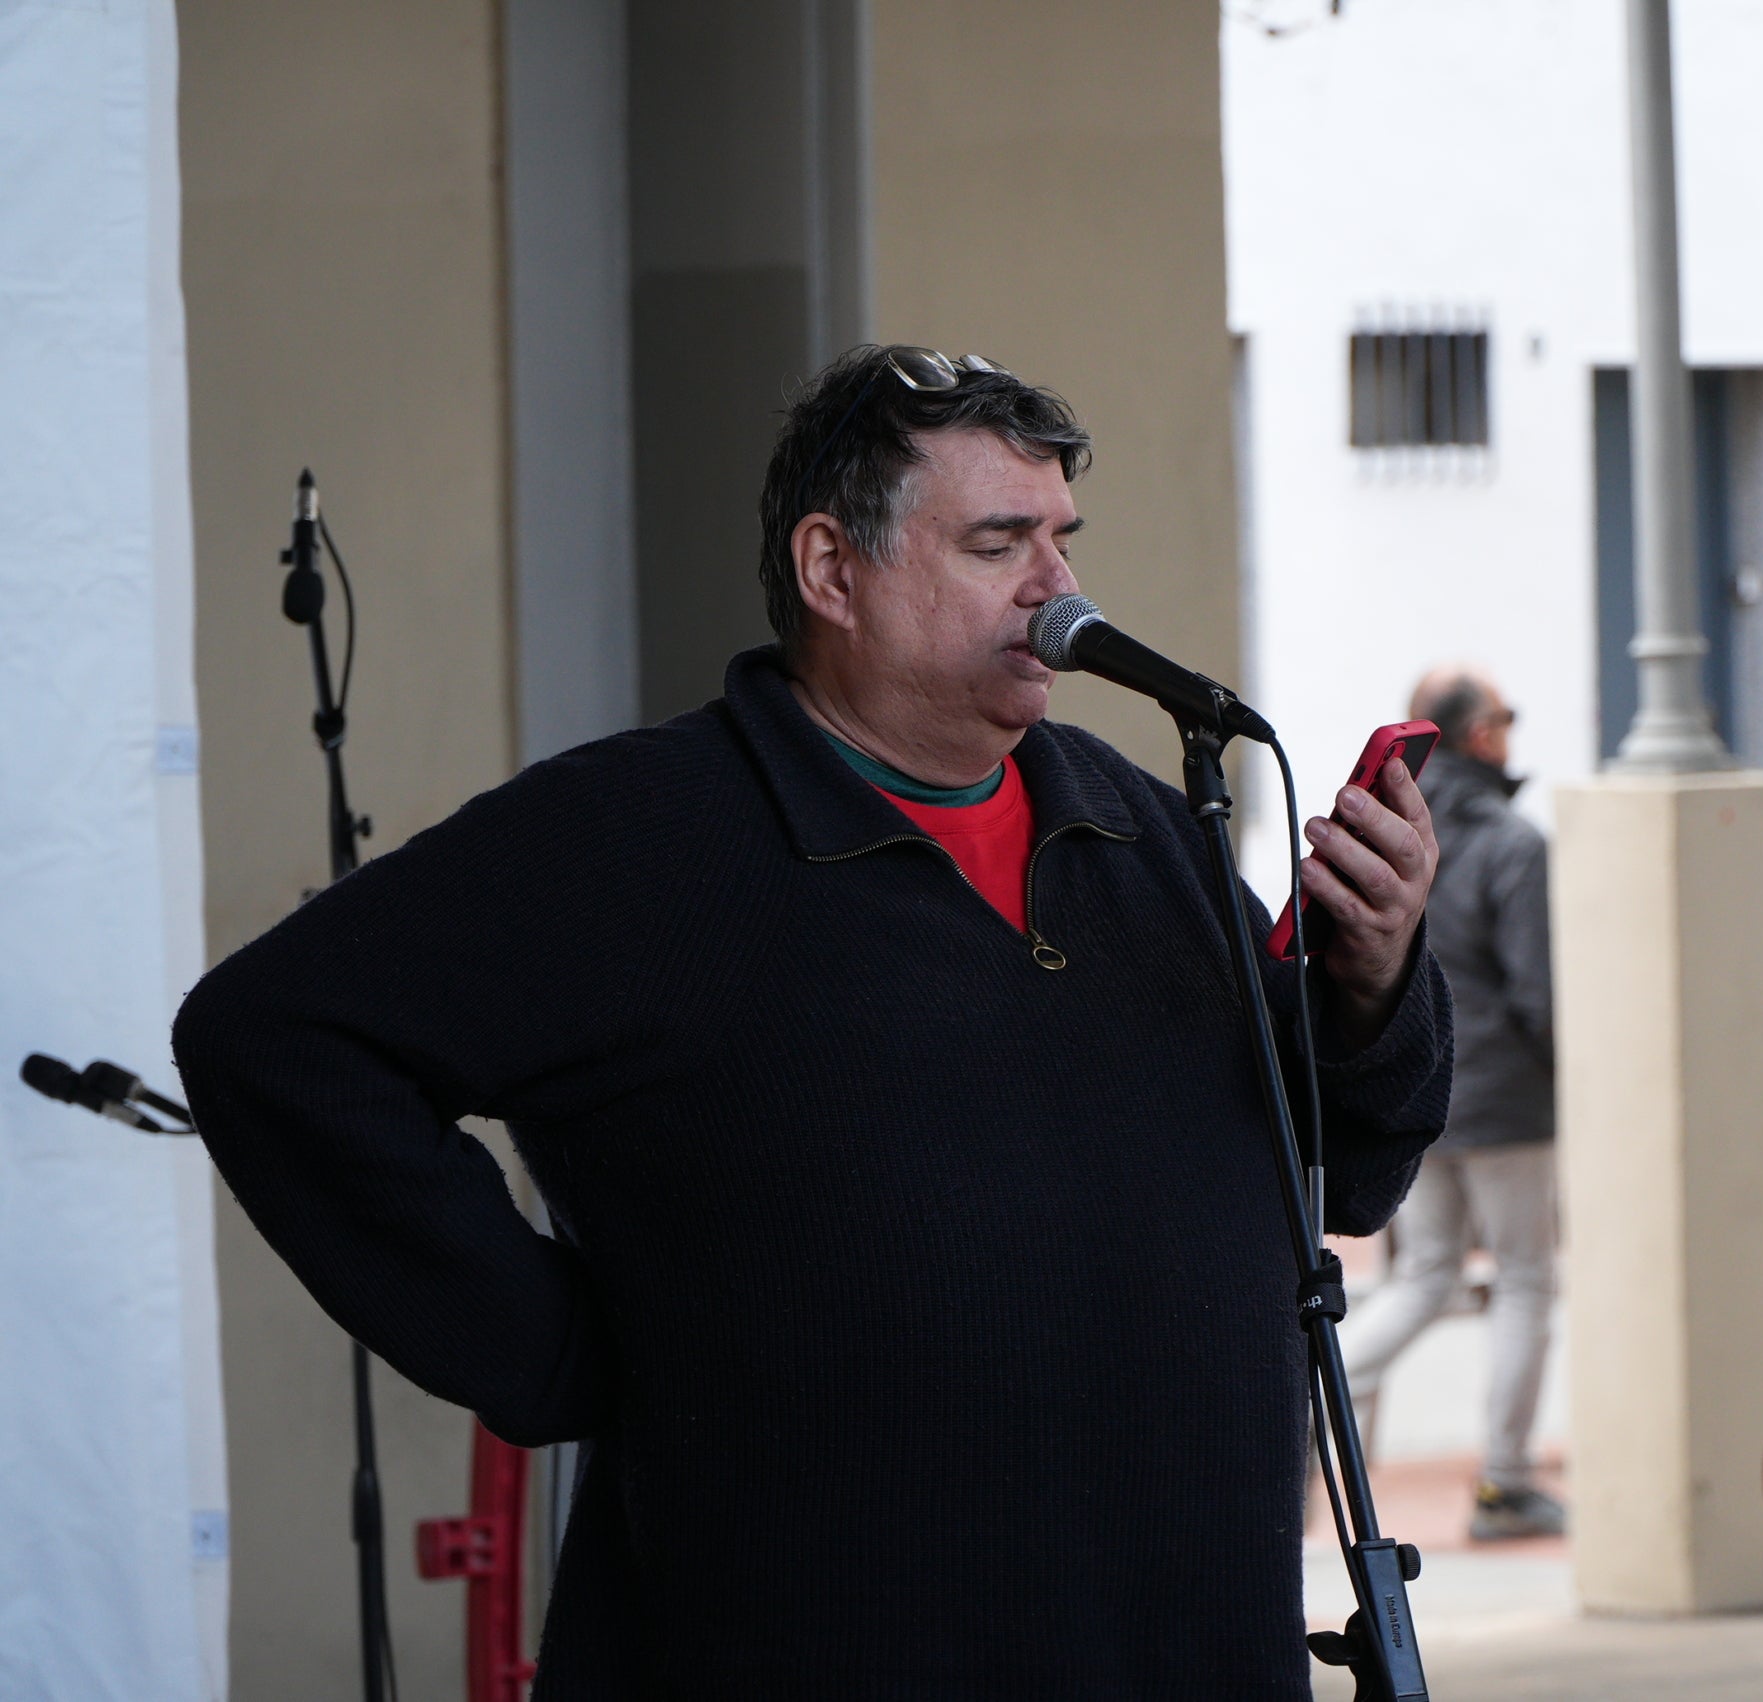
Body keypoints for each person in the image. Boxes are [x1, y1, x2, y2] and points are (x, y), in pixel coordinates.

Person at [171, 345, 1452, 1699]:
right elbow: (274, 1037)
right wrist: (557, 1356)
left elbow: (1343, 1174)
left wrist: (1366, 985)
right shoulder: (638, 838)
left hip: (1181, 1643)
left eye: (1061, 541)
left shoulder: (1132, 818)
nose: (1057, 590)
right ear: (833, 572)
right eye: (997, 543)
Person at [1337, 667, 1565, 1541]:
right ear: (1479, 736)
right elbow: (1540, 991)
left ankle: (1314, 1397)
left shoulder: (1396, 835)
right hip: (1508, 1102)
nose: (1511, 730)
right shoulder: (1515, 844)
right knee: (1525, 1281)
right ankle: (1505, 1483)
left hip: (1420, 1088)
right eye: (1505, 717)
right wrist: (1561, 1082)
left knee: (1424, 1276)